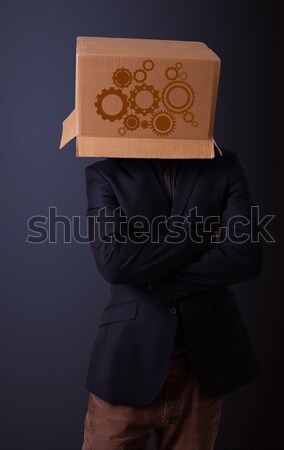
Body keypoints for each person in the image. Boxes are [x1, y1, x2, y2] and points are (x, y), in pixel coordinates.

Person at [81, 146, 263, 450]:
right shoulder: (105, 173)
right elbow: (113, 263)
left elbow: (246, 256)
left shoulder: (225, 165)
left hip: (202, 369)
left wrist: (151, 271)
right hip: (127, 362)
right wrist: (200, 238)